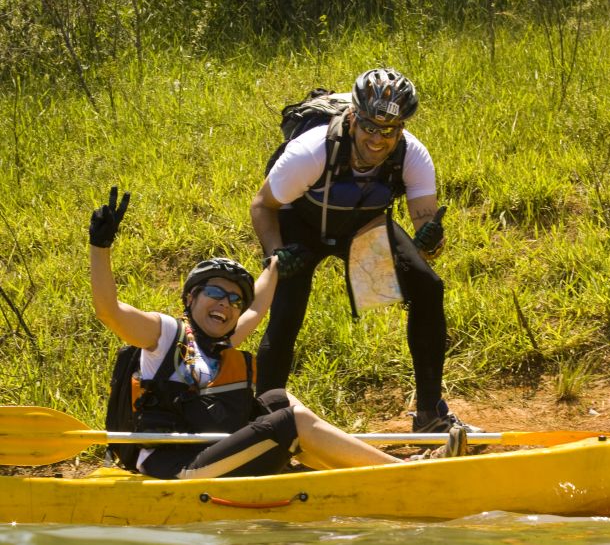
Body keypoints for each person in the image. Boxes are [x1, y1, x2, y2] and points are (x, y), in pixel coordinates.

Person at [88, 186, 427, 480]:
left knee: (277, 400)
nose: (227, 304)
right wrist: (100, 247)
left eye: (234, 299)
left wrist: (276, 262)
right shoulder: (164, 335)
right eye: (216, 293)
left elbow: (257, 306)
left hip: (209, 455)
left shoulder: (222, 342)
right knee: (286, 420)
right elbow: (110, 311)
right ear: (191, 298)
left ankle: (371, 472)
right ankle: (398, 471)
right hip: (174, 467)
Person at [250, 67, 481, 435]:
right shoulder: (310, 151)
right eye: (370, 127)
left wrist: (432, 242)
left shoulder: (413, 155)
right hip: (301, 224)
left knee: (427, 287)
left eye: (389, 130)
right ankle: (261, 424)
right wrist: (276, 255)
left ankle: (429, 414)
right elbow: (262, 206)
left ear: (401, 128)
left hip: (361, 225)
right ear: (354, 117)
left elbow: (429, 242)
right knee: (286, 313)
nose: (378, 139)